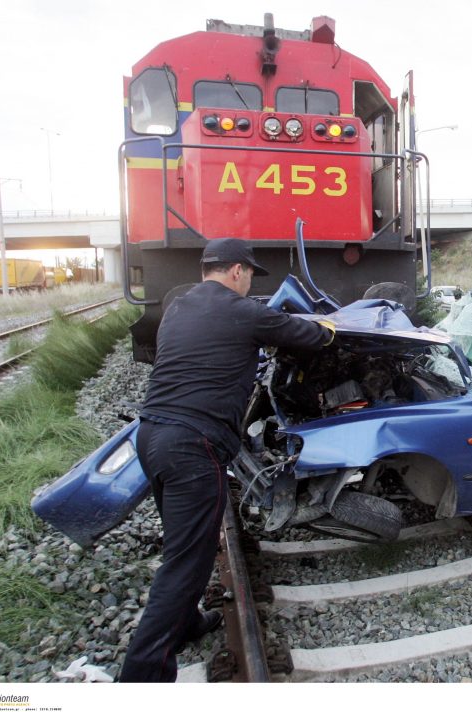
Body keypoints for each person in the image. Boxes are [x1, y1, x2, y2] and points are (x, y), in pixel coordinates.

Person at [119, 238, 336, 682]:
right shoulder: (244, 311)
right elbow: (309, 336)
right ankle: (142, 676)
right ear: (237, 271)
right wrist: (333, 328)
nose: (250, 282)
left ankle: (188, 623)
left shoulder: (180, 306)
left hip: (152, 436)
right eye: (251, 274)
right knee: (186, 560)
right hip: (192, 448)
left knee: (184, 544)